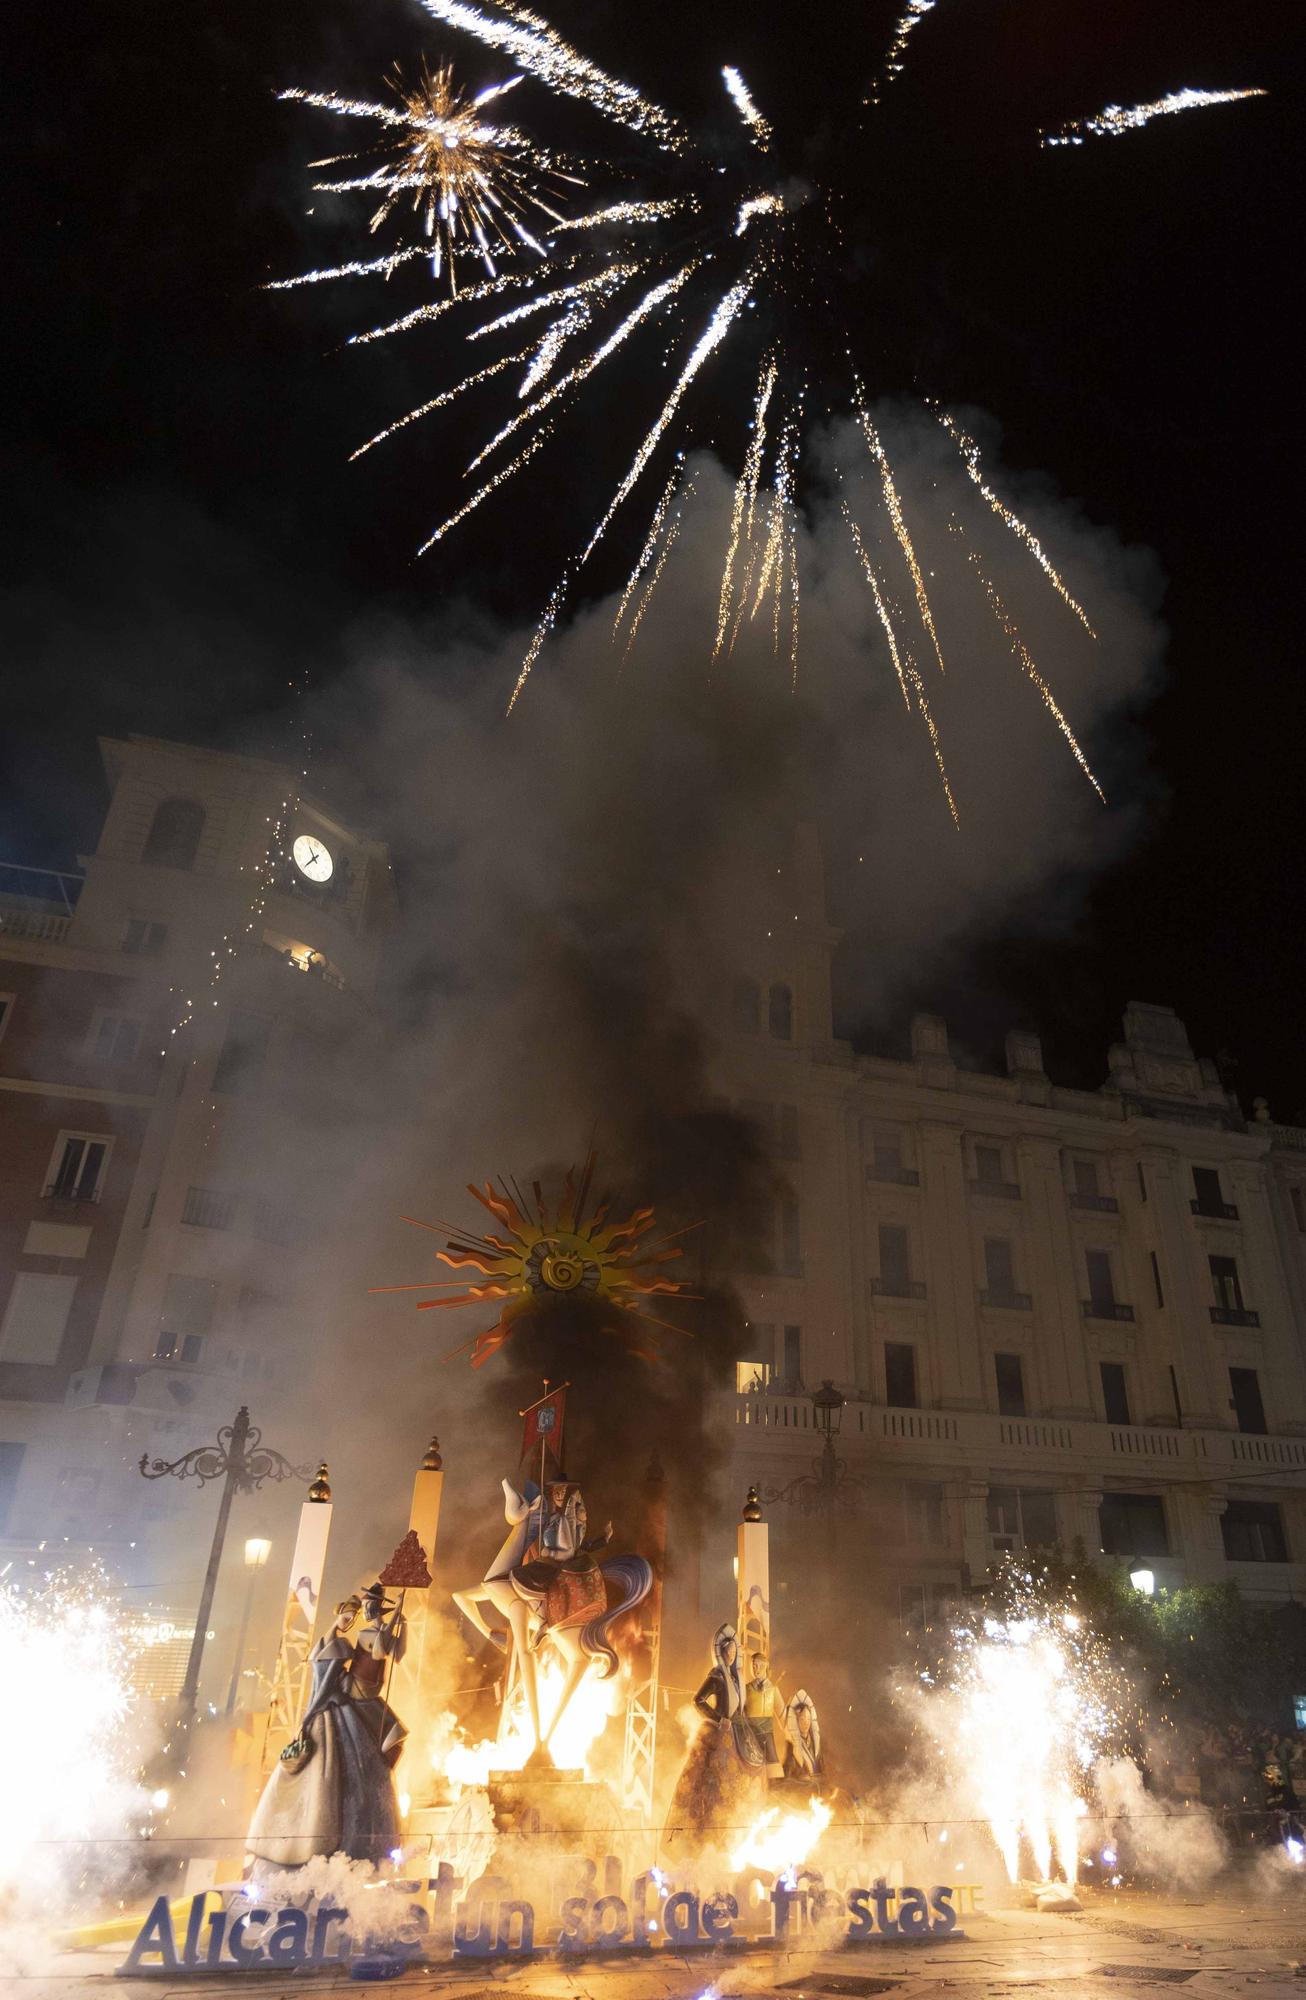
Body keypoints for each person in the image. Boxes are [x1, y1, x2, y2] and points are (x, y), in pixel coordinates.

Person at [246, 1584, 407, 1866]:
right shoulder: (366, 1635)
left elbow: (396, 1652)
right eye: (367, 1605)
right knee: (345, 1774)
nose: (368, 1610)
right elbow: (379, 1648)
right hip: (350, 1704)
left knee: (389, 1749)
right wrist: (389, 1621)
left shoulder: (378, 1630)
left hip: (368, 1704)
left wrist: (400, 1622)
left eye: (373, 1605)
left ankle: (367, 1838)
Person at [664, 1622, 764, 1845]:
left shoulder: (737, 1679)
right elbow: (698, 1700)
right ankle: (707, 1834)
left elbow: (740, 1706)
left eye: (733, 1652)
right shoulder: (717, 1676)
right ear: (721, 1653)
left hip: (739, 1733)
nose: (730, 1655)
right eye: (727, 1652)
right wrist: (720, 1720)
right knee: (715, 1783)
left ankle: (737, 1830)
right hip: (720, 1735)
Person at [744, 1651, 787, 1779]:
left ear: (765, 1666)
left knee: (773, 1764)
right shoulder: (745, 1689)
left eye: (758, 1665)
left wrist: (792, 1735)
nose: (755, 1668)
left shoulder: (773, 1690)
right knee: (749, 1766)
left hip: (767, 1734)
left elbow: (783, 1715)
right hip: (749, 1733)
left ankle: (776, 1788)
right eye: (753, 1665)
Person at [785, 1688, 824, 1783]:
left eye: (808, 1719)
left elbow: (824, 1772)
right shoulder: (791, 1745)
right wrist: (802, 1779)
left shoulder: (816, 1744)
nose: (806, 1723)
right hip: (800, 1791)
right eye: (802, 1719)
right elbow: (787, 1777)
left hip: (817, 1789)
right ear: (796, 1721)